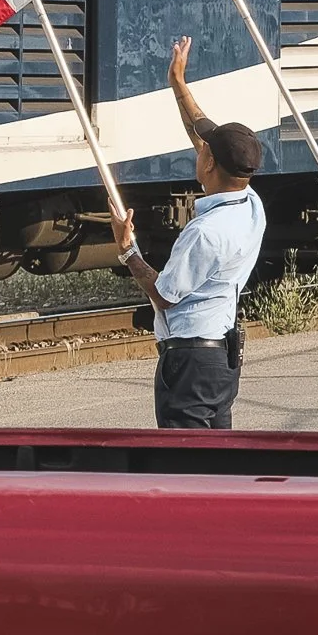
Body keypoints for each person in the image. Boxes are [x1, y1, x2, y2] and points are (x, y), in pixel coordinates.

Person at [111, 36, 268, 429]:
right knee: (217, 460)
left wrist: (128, 250)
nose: (197, 147)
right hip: (221, 360)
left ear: (209, 163)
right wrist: (178, 84)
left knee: (184, 459)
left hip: (189, 364)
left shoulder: (205, 233)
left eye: (204, 150)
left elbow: (165, 295)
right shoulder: (252, 206)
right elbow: (202, 133)